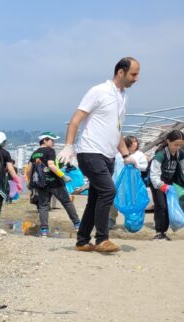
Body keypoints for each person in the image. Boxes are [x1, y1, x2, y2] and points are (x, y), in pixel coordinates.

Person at [57, 57, 140, 253]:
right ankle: (102, 239)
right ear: (121, 72)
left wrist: (126, 155)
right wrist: (69, 145)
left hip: (108, 154)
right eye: (133, 74)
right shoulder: (99, 91)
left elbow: (117, 130)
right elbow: (75, 119)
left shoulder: (123, 97)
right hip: (90, 151)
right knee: (108, 191)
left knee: (95, 197)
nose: (136, 78)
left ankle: (82, 240)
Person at [27, 132, 81, 237]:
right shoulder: (49, 150)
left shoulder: (34, 153)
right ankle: (78, 224)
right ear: (45, 140)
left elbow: (29, 169)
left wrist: (29, 182)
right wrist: (63, 176)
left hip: (41, 184)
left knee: (43, 206)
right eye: (52, 140)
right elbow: (51, 165)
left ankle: (44, 230)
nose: (54, 142)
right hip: (55, 183)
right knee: (67, 203)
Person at [147, 129, 184, 240]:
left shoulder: (180, 153)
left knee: (169, 206)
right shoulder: (161, 155)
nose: (177, 147)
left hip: (169, 183)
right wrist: (162, 186)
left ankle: (164, 232)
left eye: (180, 145)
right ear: (168, 141)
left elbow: (182, 168)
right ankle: (159, 232)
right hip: (157, 183)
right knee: (161, 206)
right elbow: (154, 175)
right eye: (175, 144)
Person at [108, 135, 149, 229]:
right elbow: (114, 166)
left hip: (132, 183)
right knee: (114, 200)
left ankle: (130, 221)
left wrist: (135, 165)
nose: (134, 143)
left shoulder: (139, 154)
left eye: (135, 141)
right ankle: (111, 219)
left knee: (131, 202)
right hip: (117, 181)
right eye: (132, 141)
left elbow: (144, 167)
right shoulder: (119, 154)